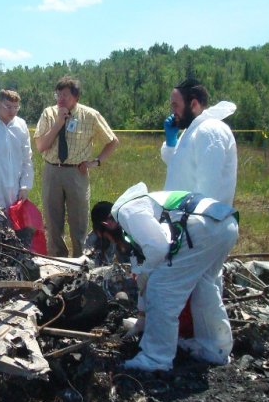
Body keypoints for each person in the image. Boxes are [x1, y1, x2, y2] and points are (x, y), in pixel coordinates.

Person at [93, 182, 238, 372]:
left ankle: (156, 358)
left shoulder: (126, 211)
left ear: (107, 224)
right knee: (203, 287)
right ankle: (214, 349)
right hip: (224, 224)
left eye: (106, 237)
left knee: (162, 290)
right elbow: (143, 273)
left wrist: (147, 273)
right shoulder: (140, 212)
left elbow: (158, 248)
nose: (112, 242)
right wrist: (142, 318)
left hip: (202, 228)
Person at [34, 76, 119, 257]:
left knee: (78, 221)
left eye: (65, 95)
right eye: (58, 94)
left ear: (76, 96)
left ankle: (80, 260)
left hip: (77, 173)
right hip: (52, 170)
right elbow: (41, 146)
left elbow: (112, 141)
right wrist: (58, 123)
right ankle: (57, 260)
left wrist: (96, 162)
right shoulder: (49, 114)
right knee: (52, 220)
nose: (60, 99)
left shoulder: (90, 115)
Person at [162, 78, 237, 206]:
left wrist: (183, 219)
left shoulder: (210, 130)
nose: (173, 112)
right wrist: (171, 142)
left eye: (175, 106)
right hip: (183, 219)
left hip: (202, 222)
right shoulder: (191, 131)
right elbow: (179, 168)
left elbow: (207, 192)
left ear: (194, 105)